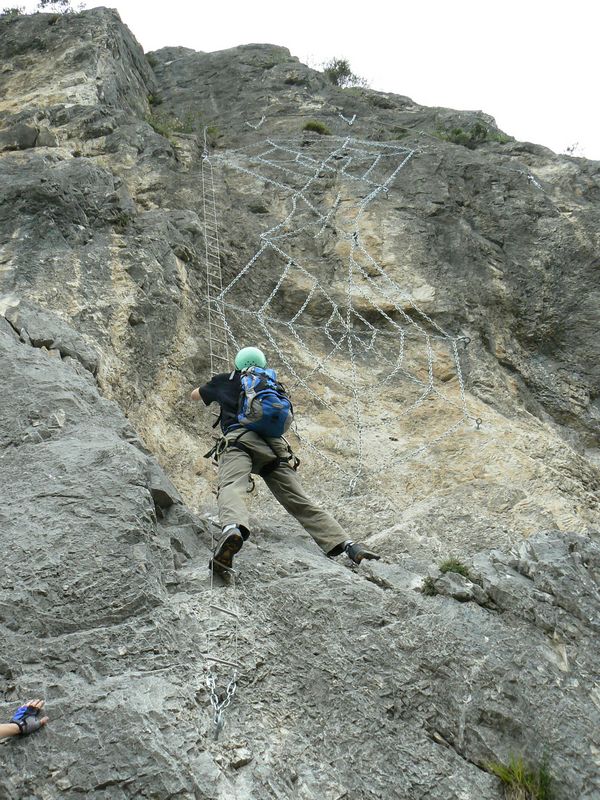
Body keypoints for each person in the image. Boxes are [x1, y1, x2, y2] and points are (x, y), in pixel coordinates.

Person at [190, 346, 380, 576]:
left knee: (232, 486)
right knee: (300, 501)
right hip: (275, 448)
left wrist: (215, 387)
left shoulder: (228, 379)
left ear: (238, 364)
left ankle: (232, 529)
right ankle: (349, 545)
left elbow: (195, 395)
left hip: (239, 441)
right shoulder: (271, 385)